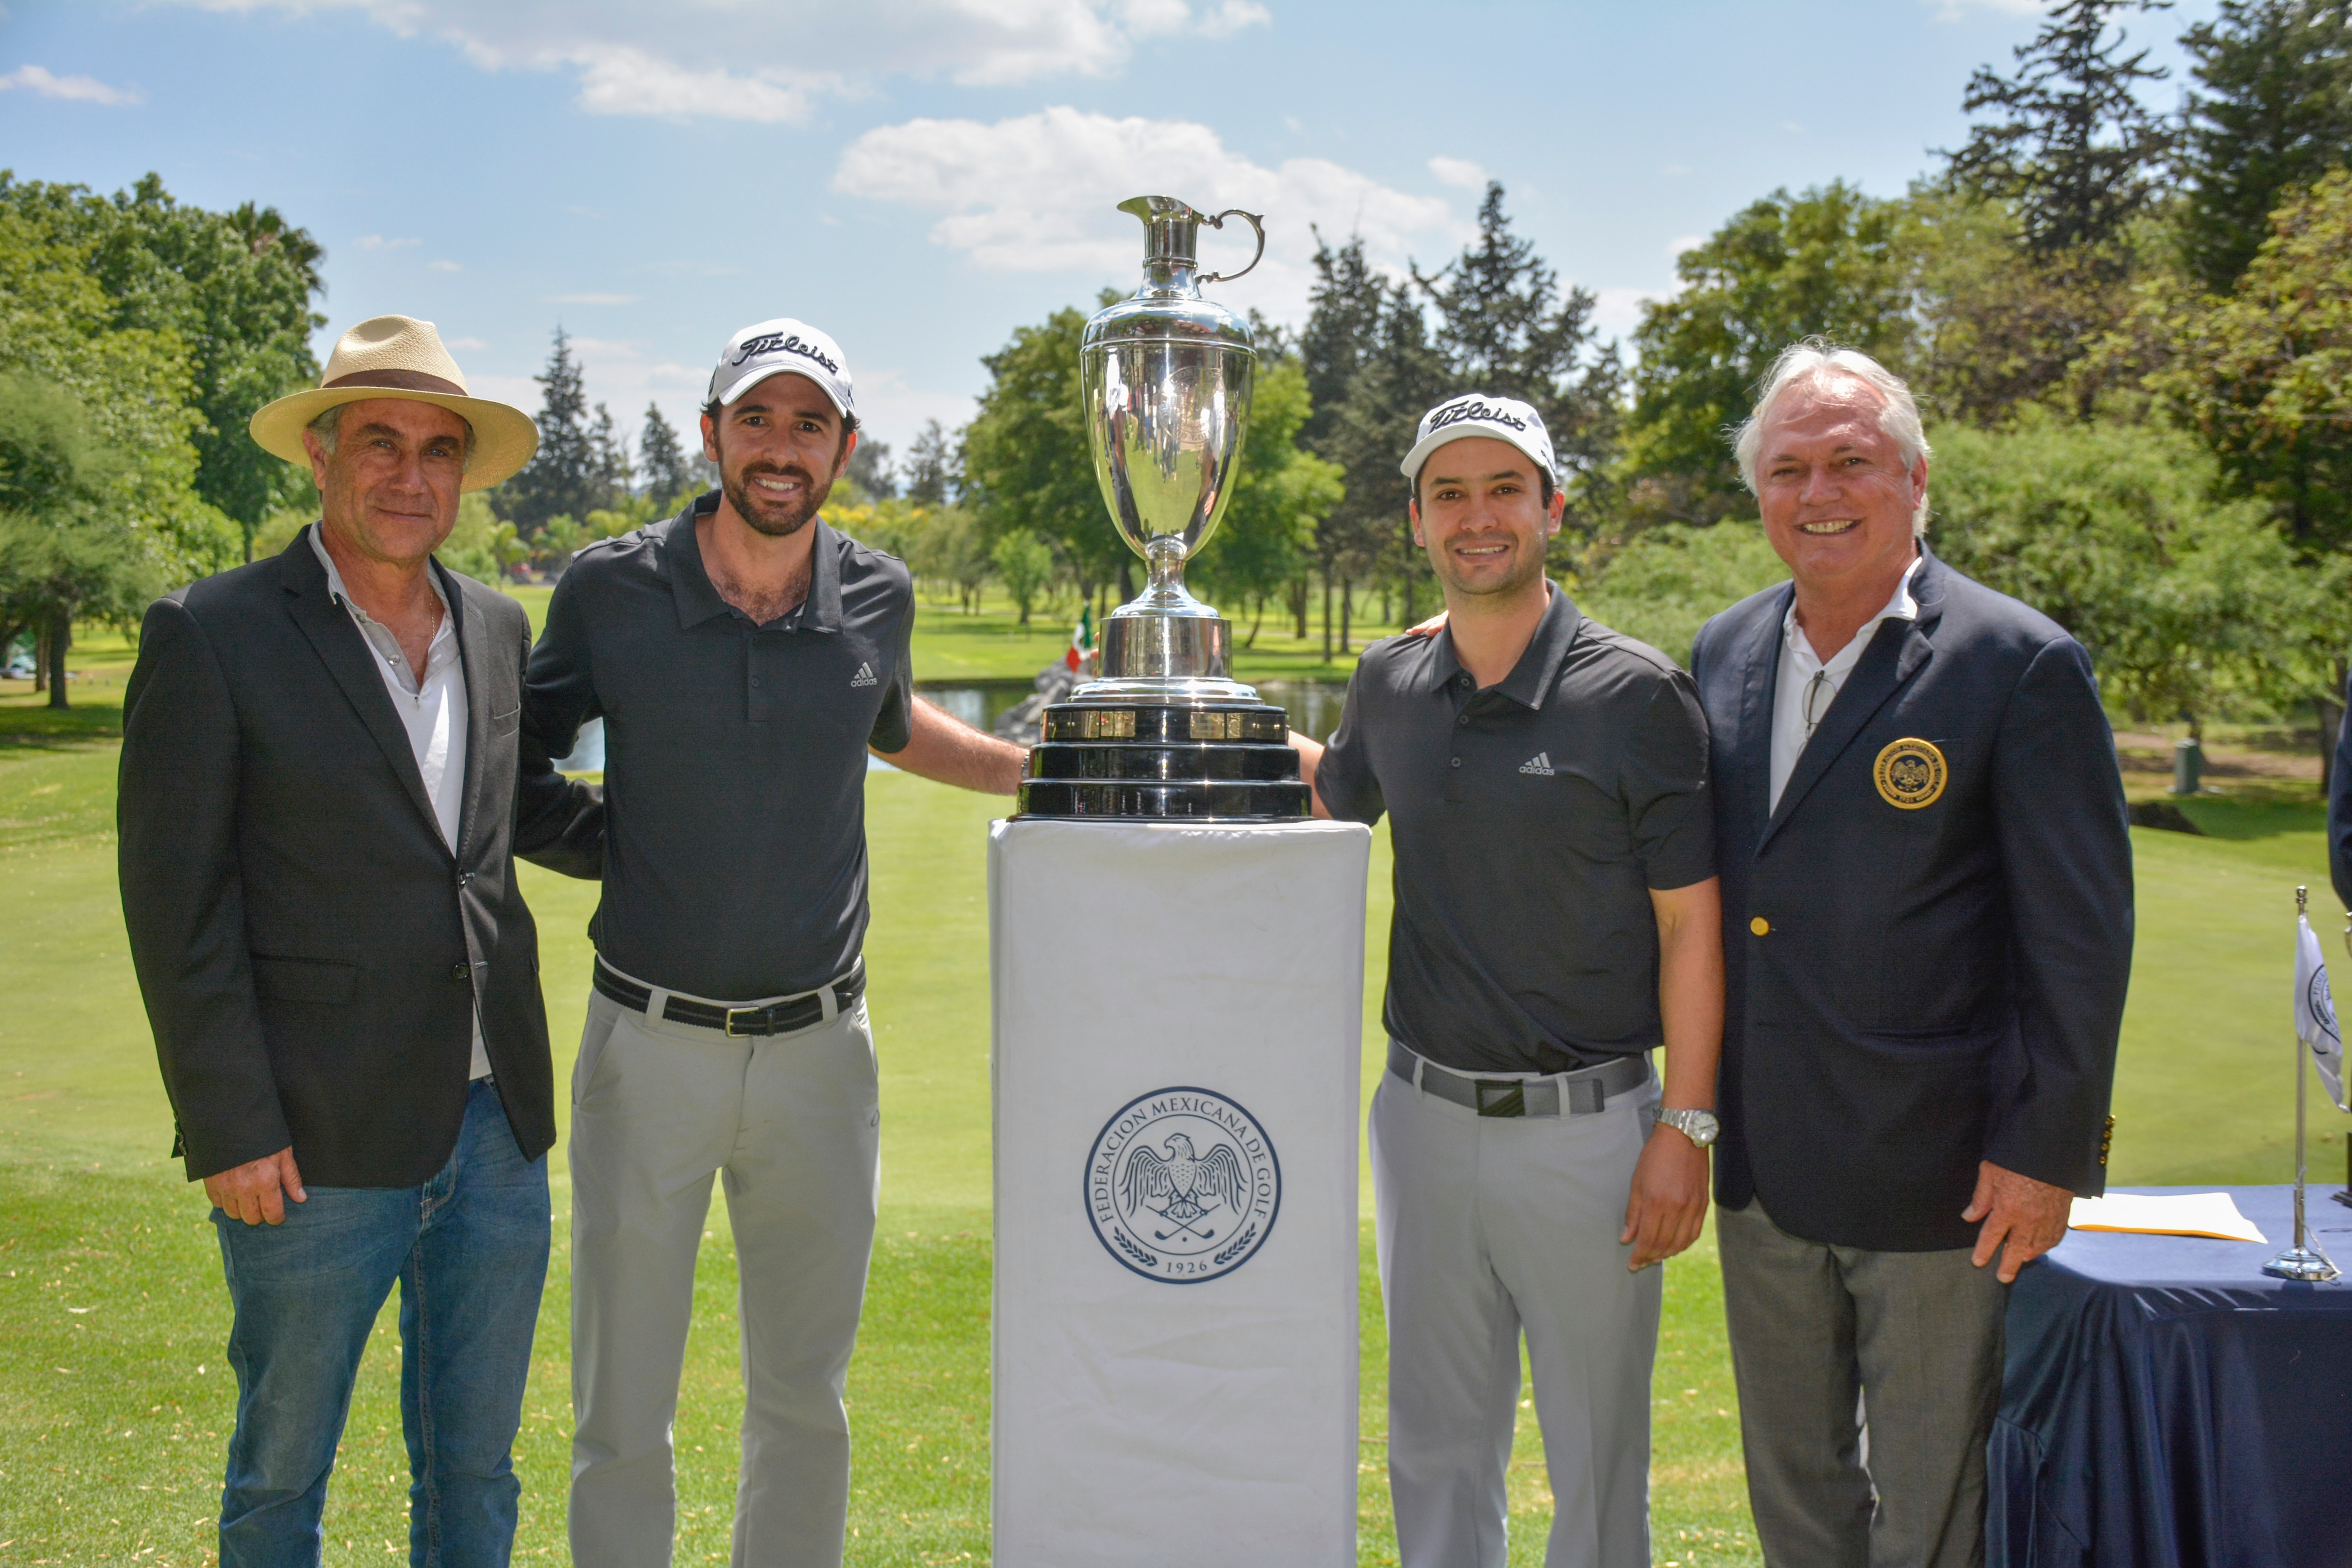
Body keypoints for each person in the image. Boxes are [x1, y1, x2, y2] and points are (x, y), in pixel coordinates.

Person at [525, 317, 1027, 1568]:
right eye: (757, 417)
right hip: (648, 1044)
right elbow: (514, 762)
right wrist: (619, 845)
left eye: (810, 422)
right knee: (622, 1405)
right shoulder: (610, 588)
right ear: (712, 434)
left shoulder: (880, 593)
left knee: (805, 1397)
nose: (781, 445)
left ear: (846, 446)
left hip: (821, 1054)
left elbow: (893, 727)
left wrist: (1056, 775)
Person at [118, 314, 605, 1567]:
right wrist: (229, 1119)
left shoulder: (497, 626)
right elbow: (179, 905)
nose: (409, 473)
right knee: (283, 1471)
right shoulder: (213, 630)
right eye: (379, 443)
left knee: (478, 1467)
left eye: (437, 449)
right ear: (322, 457)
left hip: (495, 1127)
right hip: (310, 1141)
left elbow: (509, 819)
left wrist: (718, 836)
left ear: (463, 472)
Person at [1688, 342, 2133, 1568]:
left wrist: (2046, 1148)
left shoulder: (2017, 663)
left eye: (1851, 461)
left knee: (1932, 1502)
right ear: (1759, 493)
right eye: (1789, 468)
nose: (1819, 491)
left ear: (1917, 475)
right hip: (1764, 1162)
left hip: (1941, 1179)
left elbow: (2081, 940)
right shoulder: (1722, 650)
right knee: (1796, 1488)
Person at [1290, 393, 1724, 1568]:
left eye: (1502, 490)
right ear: (1419, 522)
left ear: (1550, 508)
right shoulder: (1390, 679)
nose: (1476, 517)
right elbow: (1328, 801)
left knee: (1594, 1462)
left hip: (1591, 1132)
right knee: (1433, 1445)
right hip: (1422, 1120)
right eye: (1449, 494)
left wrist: (1684, 1126)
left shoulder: (1637, 694)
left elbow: (1692, 928)